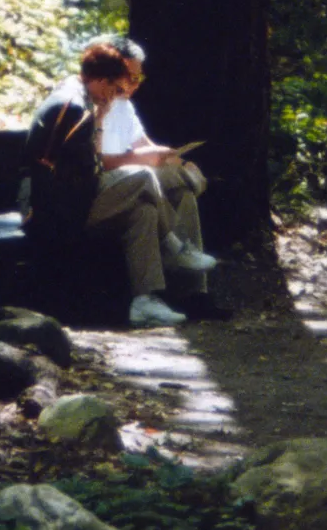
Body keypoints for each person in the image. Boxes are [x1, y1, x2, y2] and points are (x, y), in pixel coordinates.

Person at [22, 41, 214, 328]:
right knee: (143, 176)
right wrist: (125, 151)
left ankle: (146, 301)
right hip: (62, 209)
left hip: (80, 196)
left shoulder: (91, 103)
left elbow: (91, 164)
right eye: (118, 85)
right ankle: (174, 247)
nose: (122, 91)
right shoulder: (74, 106)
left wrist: (102, 119)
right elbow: (76, 169)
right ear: (103, 79)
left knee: (144, 210)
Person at [98, 36, 212, 294]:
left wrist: (183, 162)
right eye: (128, 77)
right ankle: (175, 252)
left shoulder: (124, 106)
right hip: (114, 186)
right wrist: (151, 160)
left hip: (135, 180)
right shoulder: (95, 104)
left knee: (184, 193)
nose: (133, 85)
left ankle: (194, 293)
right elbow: (100, 163)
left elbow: (147, 146)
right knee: (171, 180)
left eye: (138, 78)